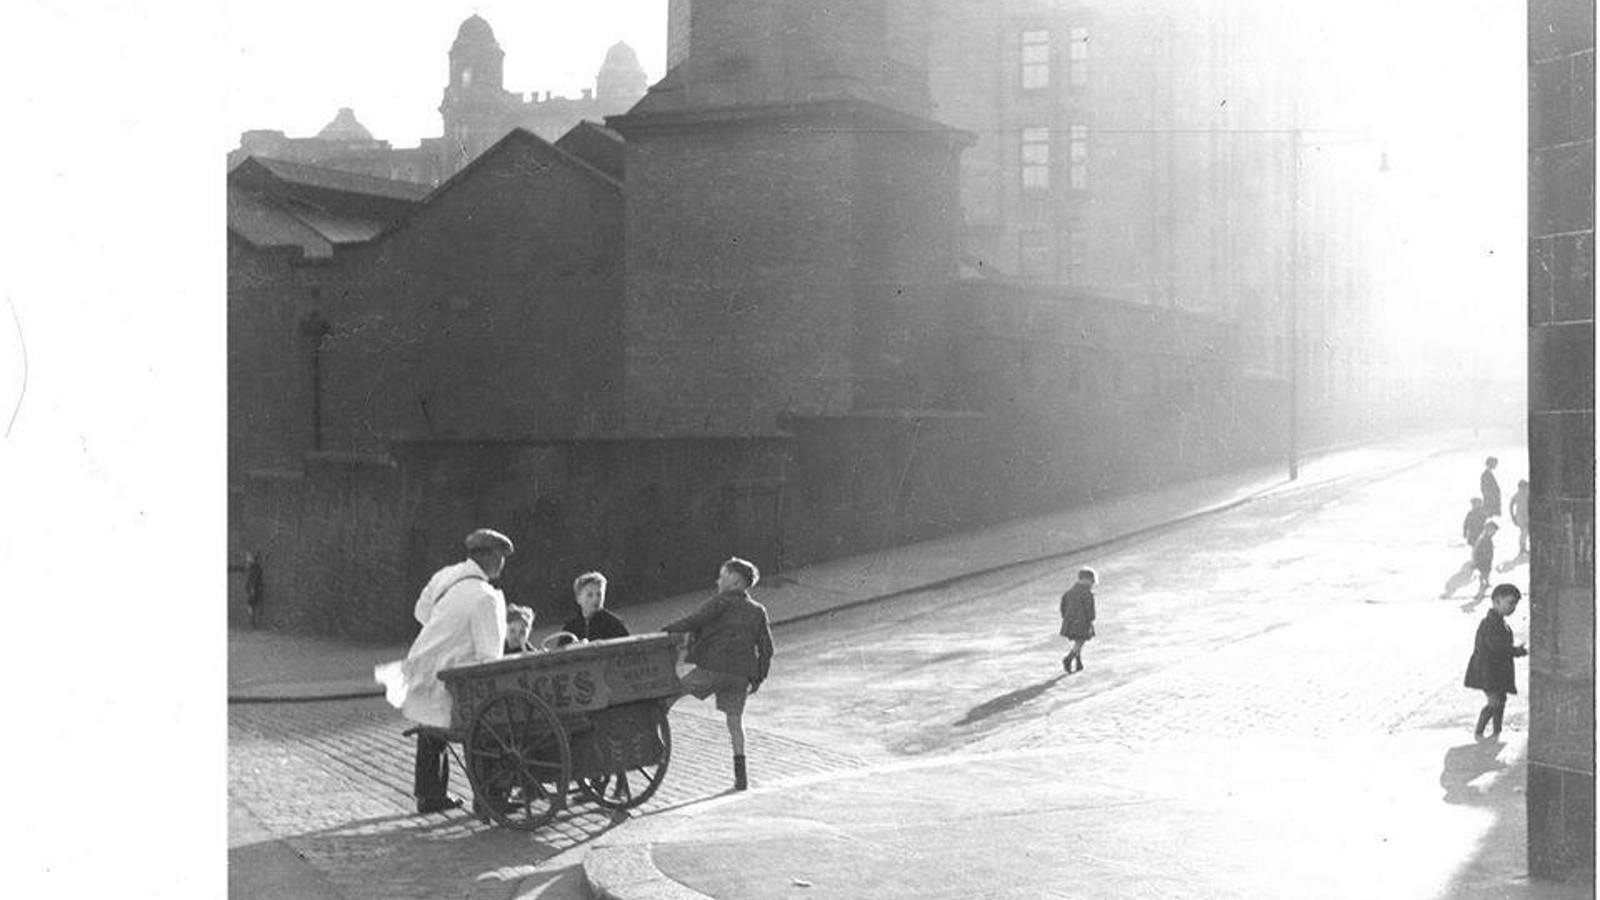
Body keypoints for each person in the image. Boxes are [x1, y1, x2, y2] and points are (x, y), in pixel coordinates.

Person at [377, 528, 514, 814]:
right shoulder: (485, 597)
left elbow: (421, 613)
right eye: (501, 557)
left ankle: (430, 796)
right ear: (488, 557)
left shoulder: (445, 576)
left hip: (420, 666)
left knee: (431, 728)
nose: (502, 563)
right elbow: (490, 657)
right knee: (486, 723)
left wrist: (445, 634)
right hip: (452, 679)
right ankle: (490, 797)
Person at [664, 558, 774, 792]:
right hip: (740, 675)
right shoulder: (758, 610)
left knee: (671, 695)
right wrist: (758, 677)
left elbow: (696, 620)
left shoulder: (722, 601)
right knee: (735, 722)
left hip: (714, 668)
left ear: (734, 580)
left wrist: (668, 629)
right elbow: (767, 649)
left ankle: (657, 742)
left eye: (722, 575)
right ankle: (741, 776)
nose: (717, 580)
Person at [1463, 583, 1528, 740]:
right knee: (1495, 701)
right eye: (1510, 603)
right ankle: (1479, 732)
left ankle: (1497, 731)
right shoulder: (1490, 623)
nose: (1513, 608)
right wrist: (1517, 651)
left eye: (1515, 605)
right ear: (1497, 601)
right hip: (1487, 671)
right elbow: (1497, 647)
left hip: (1494, 671)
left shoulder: (1500, 622)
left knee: (1500, 700)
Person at [560, 571, 630, 643]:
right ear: (578, 599)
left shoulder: (614, 625)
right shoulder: (570, 629)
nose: (596, 599)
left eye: (599, 594)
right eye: (590, 595)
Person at [1059, 568, 1097, 674]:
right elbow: (1090, 611)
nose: (1092, 583)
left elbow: (1063, 608)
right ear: (1086, 580)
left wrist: (1066, 618)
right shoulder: (1087, 594)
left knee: (1078, 641)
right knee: (1080, 641)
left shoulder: (1068, 593)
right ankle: (1069, 658)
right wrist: (1091, 620)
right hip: (1083, 622)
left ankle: (1078, 661)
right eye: (1091, 581)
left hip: (1070, 621)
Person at [1471, 520, 1499, 597]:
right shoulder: (1483, 539)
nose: (1494, 533)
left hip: (1487, 559)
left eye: (1494, 532)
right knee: (1484, 573)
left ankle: (1486, 582)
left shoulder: (1487, 538)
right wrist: (1475, 560)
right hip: (1482, 560)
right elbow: (1476, 550)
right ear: (1487, 530)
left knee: (1487, 571)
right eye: (1492, 531)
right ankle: (1481, 588)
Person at [1509, 479, 1530, 555]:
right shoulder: (1518, 495)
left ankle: (1523, 547)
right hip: (1521, 517)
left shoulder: (1527, 493)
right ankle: (1522, 548)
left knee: (1525, 532)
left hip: (1526, 516)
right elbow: (1511, 505)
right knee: (1524, 531)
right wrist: (1512, 516)